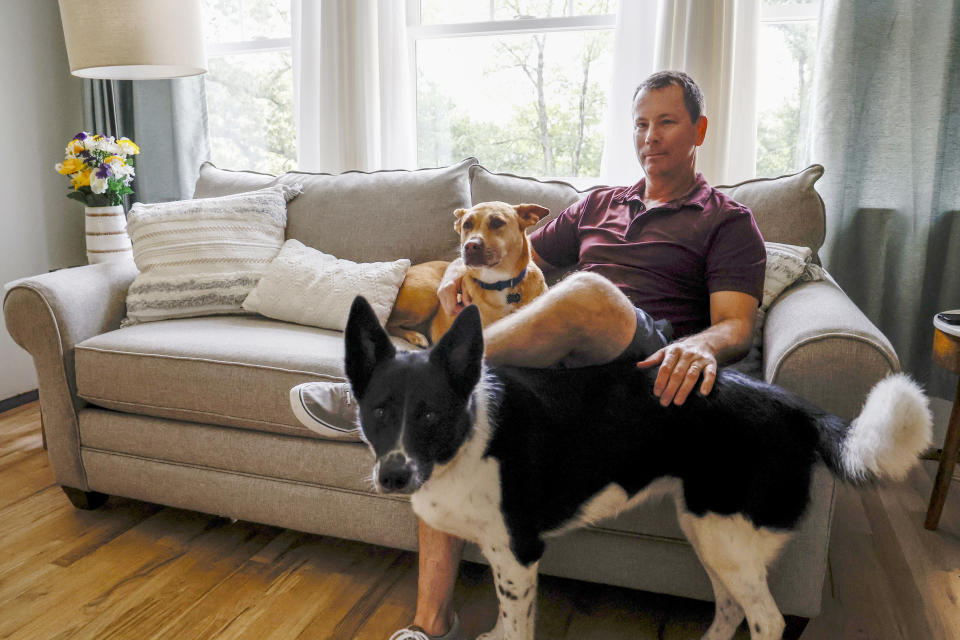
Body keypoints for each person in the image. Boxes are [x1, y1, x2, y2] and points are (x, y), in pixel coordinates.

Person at [294, 71, 766, 640]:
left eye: (667, 122)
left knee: (587, 291)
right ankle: (429, 622)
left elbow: (736, 326)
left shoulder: (727, 220)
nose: (650, 136)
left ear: (700, 130)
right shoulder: (598, 205)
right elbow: (506, 248)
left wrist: (700, 346)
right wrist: (453, 267)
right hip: (564, 373)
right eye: (641, 124)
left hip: (642, 361)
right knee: (449, 424)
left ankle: (383, 390)